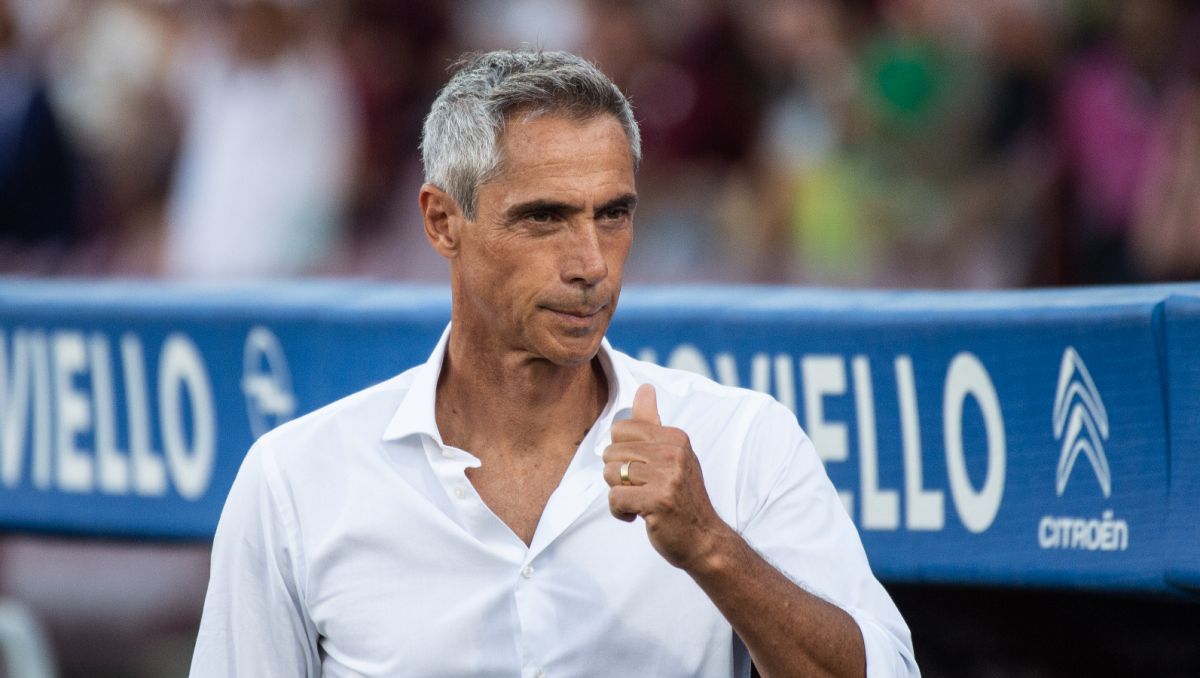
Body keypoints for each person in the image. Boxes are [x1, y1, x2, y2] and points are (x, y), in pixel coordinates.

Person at [190, 49, 918, 677]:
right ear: (443, 222)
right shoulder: (295, 480)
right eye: (545, 218)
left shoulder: (741, 442)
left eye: (615, 214)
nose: (592, 264)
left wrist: (713, 549)